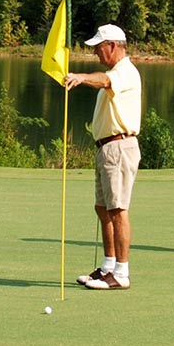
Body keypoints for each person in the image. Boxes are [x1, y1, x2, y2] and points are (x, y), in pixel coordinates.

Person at [65, 24, 142, 290]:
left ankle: (122, 273)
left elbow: (104, 81)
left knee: (118, 210)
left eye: (99, 47)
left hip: (120, 147)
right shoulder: (115, 72)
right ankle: (108, 267)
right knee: (103, 208)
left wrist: (80, 77)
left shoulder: (125, 73)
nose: (97, 52)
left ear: (112, 45)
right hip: (106, 149)